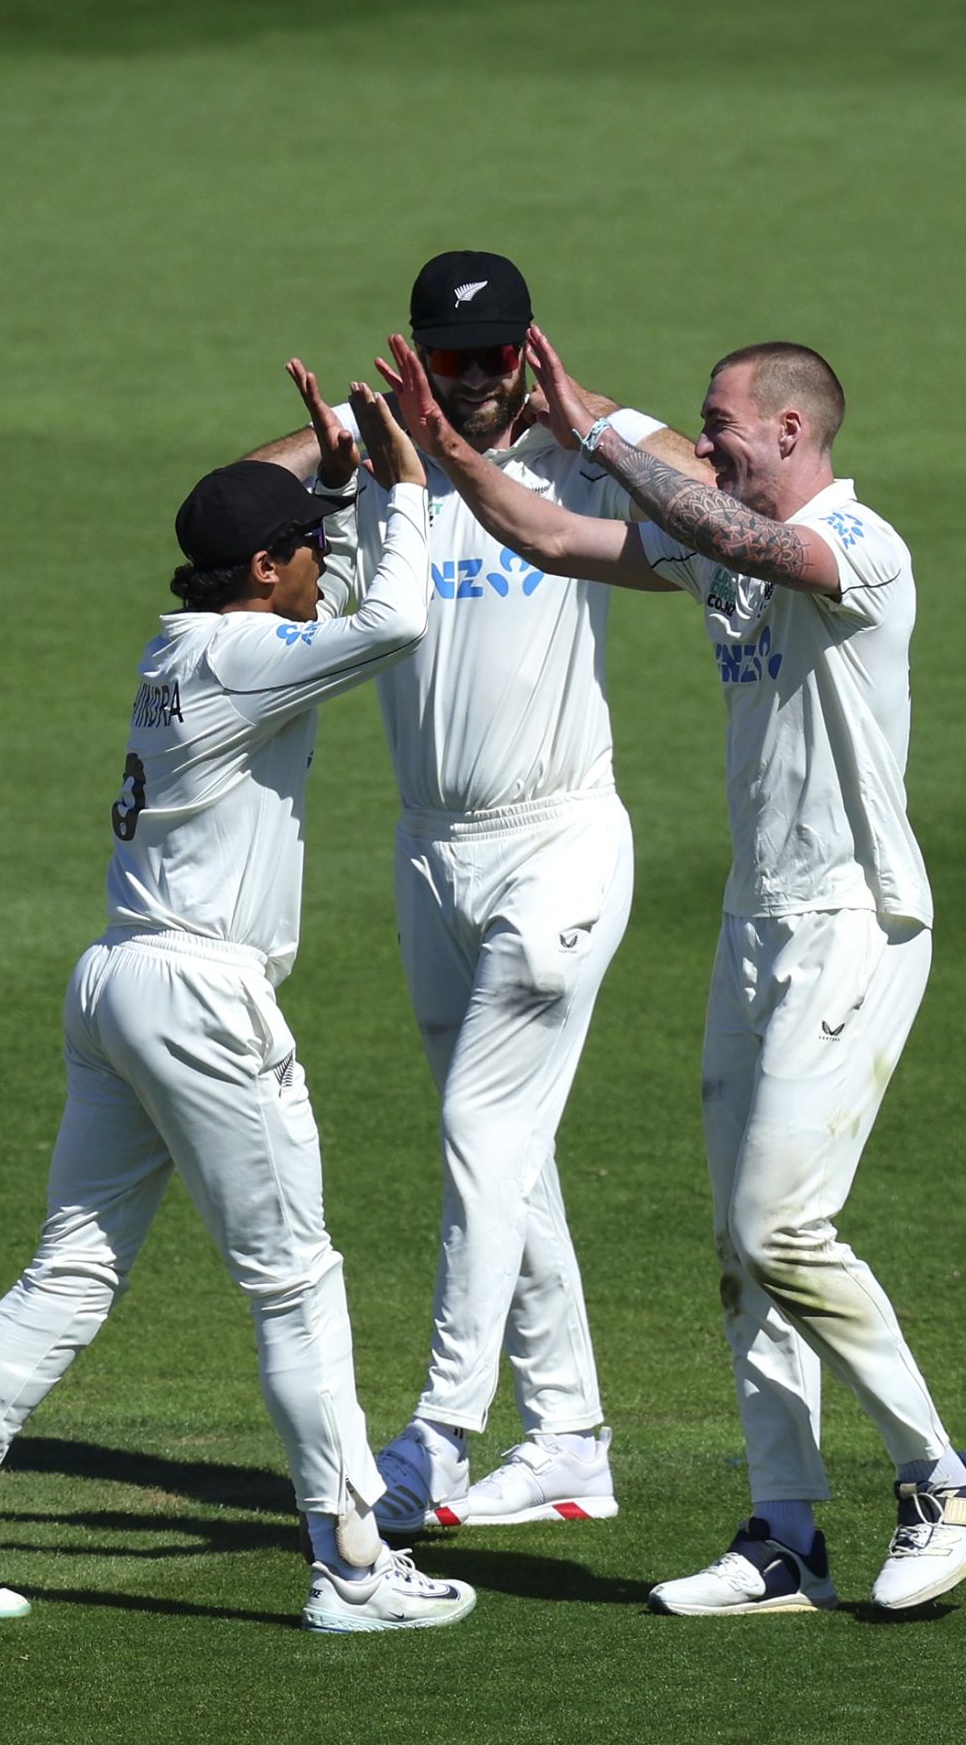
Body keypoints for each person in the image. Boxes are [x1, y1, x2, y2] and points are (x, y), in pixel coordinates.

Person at [376, 326, 966, 1612]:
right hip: (755, 919)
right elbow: (557, 541)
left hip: (855, 914)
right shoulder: (715, 539)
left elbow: (739, 541)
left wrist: (595, 422)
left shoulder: (860, 543)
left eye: (719, 423)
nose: (702, 440)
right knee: (739, 1241)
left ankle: (942, 1477)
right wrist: (455, 456)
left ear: (790, 429)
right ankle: (784, 1533)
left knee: (784, 1225)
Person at [0, 384, 478, 1635]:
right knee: (295, 1280)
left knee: (70, 1270)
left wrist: (337, 485)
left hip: (119, 978)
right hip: (199, 998)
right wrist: (402, 481)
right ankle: (351, 1564)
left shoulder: (187, 643)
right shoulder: (247, 655)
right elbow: (394, 621)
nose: (317, 560)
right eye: (303, 543)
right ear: (261, 566)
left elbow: (330, 597)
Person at [251, 252, 706, 1534]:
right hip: (426, 850)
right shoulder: (382, 473)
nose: (472, 380)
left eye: (494, 358)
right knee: (511, 1154)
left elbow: (717, 491)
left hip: (558, 840)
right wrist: (349, 429)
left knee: (476, 1136)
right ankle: (565, 1433)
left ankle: (438, 1436)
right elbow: (227, 500)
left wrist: (588, 410)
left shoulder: (574, 461)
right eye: (447, 359)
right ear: (413, 354)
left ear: (527, 351)